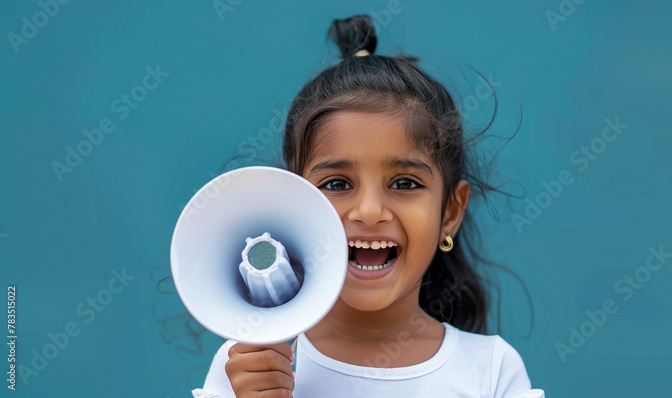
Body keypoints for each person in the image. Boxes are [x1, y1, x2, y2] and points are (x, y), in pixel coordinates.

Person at [191, 14, 543, 398]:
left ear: (450, 213)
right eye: (337, 184)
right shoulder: (247, 369)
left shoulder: (491, 371)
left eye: (405, 183)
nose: (370, 211)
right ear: (291, 200)